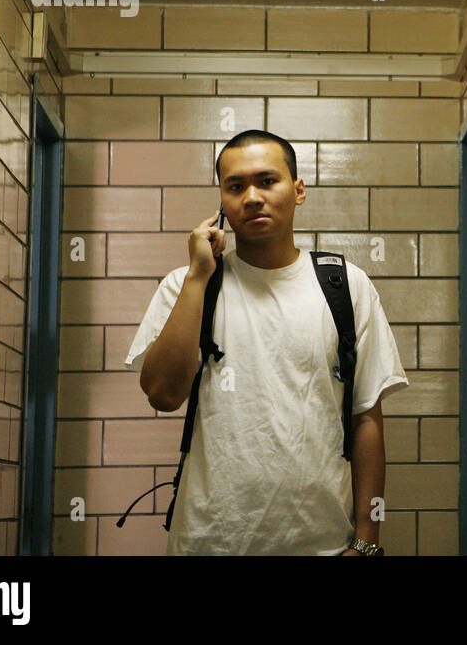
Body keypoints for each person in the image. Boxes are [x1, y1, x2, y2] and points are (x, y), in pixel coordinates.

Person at [125, 129, 408, 554]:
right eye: (235, 186)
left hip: (323, 544)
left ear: (298, 190)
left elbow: (366, 416)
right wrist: (199, 276)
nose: (252, 196)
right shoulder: (190, 286)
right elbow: (163, 395)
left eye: (267, 180)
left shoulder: (346, 286)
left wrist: (367, 542)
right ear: (221, 201)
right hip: (208, 543)